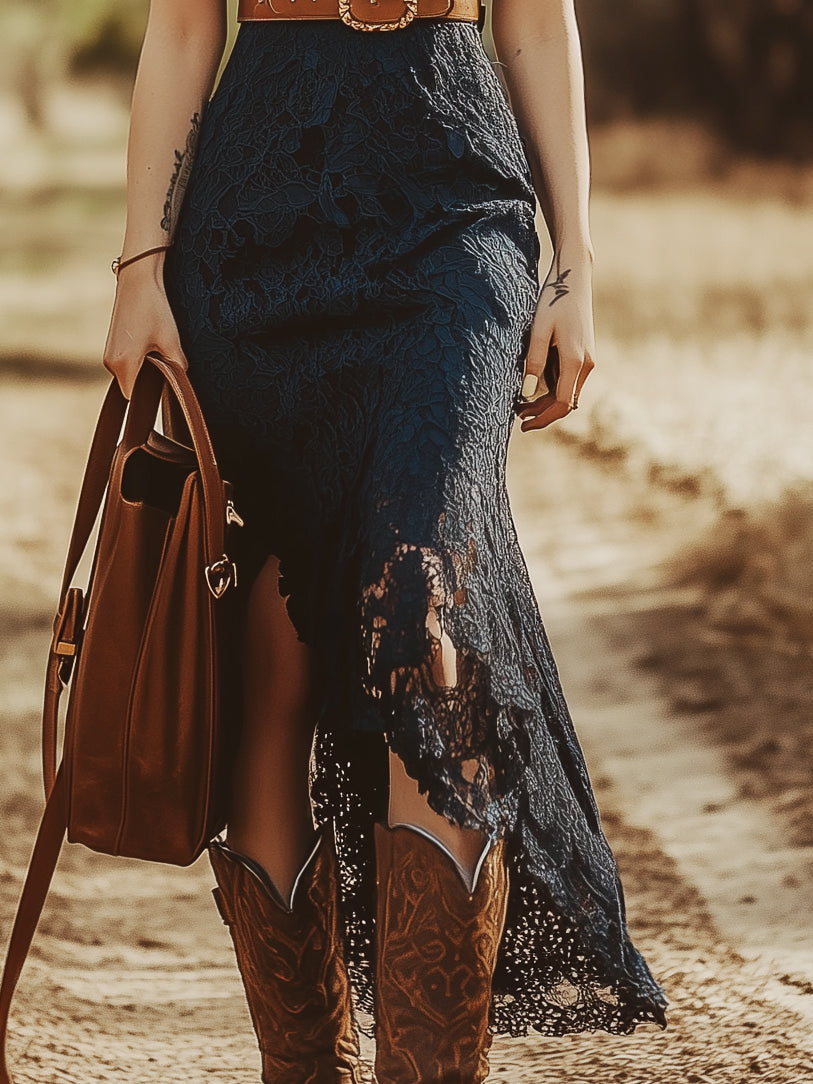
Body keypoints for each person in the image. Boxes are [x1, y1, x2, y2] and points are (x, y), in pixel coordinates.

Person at [103, 0, 667, 1079]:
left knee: (427, 599)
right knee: (272, 652)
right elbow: (181, 29)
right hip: (258, 208)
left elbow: (537, 24)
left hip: (452, 197)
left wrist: (575, 267)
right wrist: (141, 267)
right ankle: (308, 1065)